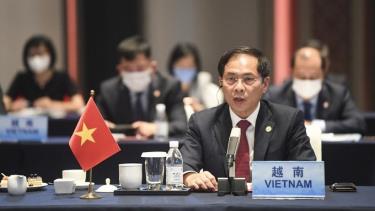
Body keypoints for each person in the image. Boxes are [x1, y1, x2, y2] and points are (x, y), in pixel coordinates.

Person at [181, 46, 316, 191]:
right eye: (231, 79)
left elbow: (307, 170)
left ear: (264, 84)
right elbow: (183, 164)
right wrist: (190, 176)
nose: (238, 87)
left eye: (248, 79)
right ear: (221, 81)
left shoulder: (288, 120)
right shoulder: (202, 122)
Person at [265, 40, 366, 134]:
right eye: (302, 77)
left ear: (323, 73)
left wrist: (319, 126)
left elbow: (358, 123)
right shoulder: (275, 96)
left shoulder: (338, 94)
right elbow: (261, 124)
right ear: (292, 71)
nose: (307, 81)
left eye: (313, 77)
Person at [96, 36, 187, 139]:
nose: (134, 74)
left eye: (140, 68)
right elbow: (95, 125)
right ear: (119, 69)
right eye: (128, 69)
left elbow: (181, 126)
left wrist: (156, 128)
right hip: (122, 150)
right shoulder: (108, 90)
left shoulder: (169, 86)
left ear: (153, 67)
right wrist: (103, 126)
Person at [4, 35, 84, 114]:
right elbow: (5, 102)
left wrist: (52, 104)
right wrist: (12, 106)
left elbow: (78, 104)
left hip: (56, 123)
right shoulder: (22, 78)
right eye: (32, 55)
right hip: (30, 123)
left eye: (40, 54)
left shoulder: (62, 77)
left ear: (50, 55)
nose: (36, 59)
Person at [167, 43, 223, 118]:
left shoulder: (204, 84)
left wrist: (200, 109)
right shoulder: (165, 85)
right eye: (181, 66)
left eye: (189, 66)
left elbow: (215, 116)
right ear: (172, 66)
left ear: (197, 67)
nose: (185, 71)